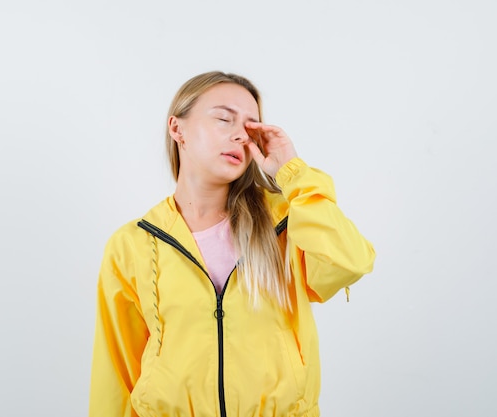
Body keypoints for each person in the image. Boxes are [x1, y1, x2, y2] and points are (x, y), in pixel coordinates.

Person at [89, 71, 376, 417]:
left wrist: (292, 173)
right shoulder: (132, 243)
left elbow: (351, 262)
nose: (240, 134)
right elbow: (115, 372)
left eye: (251, 127)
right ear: (177, 129)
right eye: (224, 119)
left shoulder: (286, 222)